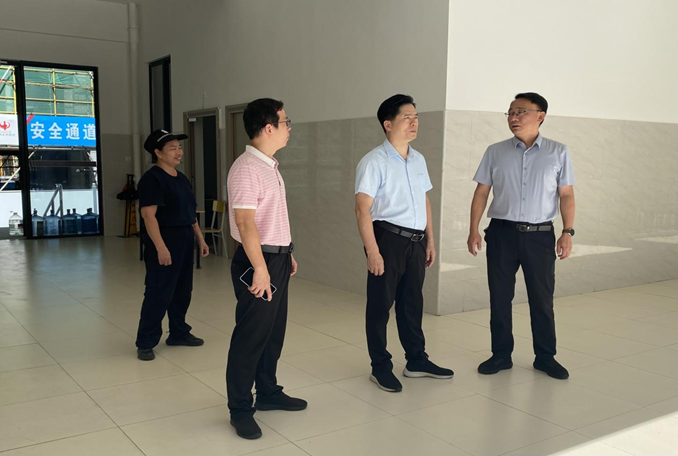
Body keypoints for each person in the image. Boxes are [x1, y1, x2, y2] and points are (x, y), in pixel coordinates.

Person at [468, 92, 575, 380]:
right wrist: (473, 229)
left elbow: (566, 195)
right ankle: (501, 355)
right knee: (500, 297)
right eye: (511, 113)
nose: (514, 118)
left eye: (520, 112)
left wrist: (567, 231)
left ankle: (546, 357)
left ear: (540, 116)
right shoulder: (495, 151)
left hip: (540, 236)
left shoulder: (558, 152)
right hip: (501, 234)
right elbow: (481, 192)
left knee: (542, 299)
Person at [354, 94, 454, 393]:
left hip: (416, 241)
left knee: (412, 303)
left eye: (416, 117)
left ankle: (416, 361)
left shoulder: (418, 159)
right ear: (388, 124)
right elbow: (362, 209)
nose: (414, 123)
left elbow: (424, 200)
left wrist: (430, 240)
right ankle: (380, 366)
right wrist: (373, 251)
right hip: (388, 240)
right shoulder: (373, 162)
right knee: (380, 306)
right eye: (407, 117)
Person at [225, 98, 306, 440]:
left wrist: (286, 252)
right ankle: (240, 408)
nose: (289, 128)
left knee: (273, 333)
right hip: (257, 261)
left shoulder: (268, 165)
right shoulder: (246, 168)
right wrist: (261, 267)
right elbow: (245, 223)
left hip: (276, 258)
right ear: (269, 127)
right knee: (251, 336)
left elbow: (269, 219)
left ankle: (268, 392)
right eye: (286, 122)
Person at [135, 130, 210, 361]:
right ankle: (146, 342)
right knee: (159, 292)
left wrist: (200, 238)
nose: (179, 152)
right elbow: (148, 216)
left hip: (185, 238)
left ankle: (178, 332)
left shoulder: (181, 178)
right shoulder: (152, 179)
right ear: (158, 153)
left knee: (182, 291)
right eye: (172, 148)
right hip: (165, 239)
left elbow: (190, 213)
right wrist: (161, 247)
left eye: (179, 147)